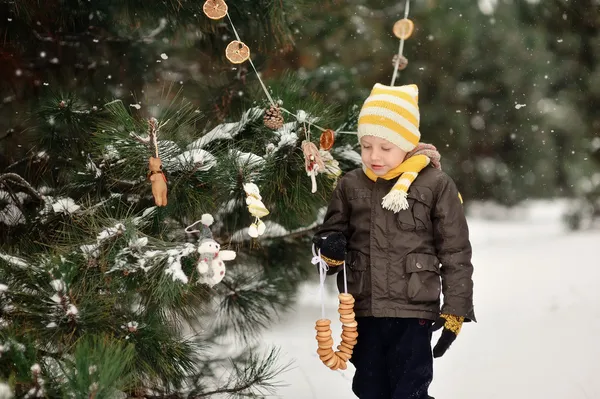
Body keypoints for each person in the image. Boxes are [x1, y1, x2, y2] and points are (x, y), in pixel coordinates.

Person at [313, 83, 476, 399]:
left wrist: (456, 308)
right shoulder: (350, 185)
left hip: (413, 312)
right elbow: (329, 236)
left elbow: (455, 250)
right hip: (364, 309)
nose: (374, 156)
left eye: (386, 148)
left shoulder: (435, 185)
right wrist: (329, 249)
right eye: (366, 146)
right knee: (370, 389)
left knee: (409, 391)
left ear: (407, 144)